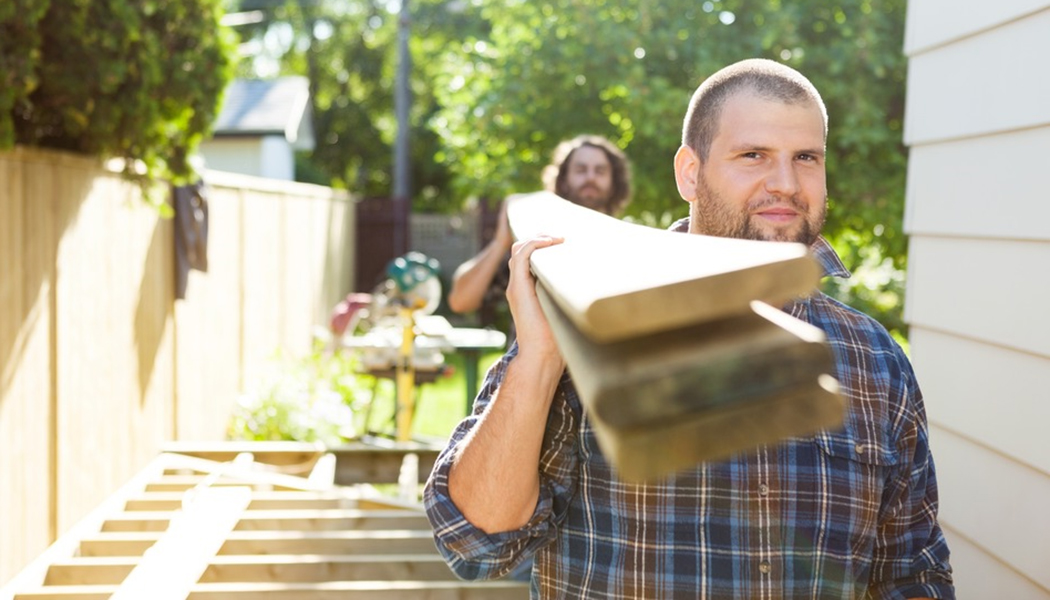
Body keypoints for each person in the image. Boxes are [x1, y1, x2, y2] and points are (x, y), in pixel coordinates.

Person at [424, 58, 954, 599]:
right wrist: (538, 360)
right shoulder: (597, 319)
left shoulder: (875, 359)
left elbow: (912, 575)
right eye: (753, 156)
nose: (786, 183)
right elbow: (476, 545)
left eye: (806, 158)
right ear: (690, 173)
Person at [445, 134, 632, 319]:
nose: (590, 177)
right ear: (563, 179)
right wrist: (501, 242)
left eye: (600, 171)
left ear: (613, 181)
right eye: (581, 170)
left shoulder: (626, 244)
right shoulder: (540, 242)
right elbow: (460, 301)